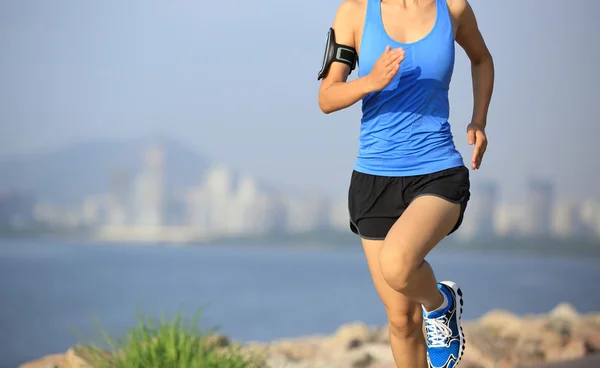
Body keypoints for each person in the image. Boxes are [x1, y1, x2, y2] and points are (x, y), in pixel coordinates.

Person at [317, 0, 494, 367]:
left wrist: (479, 120)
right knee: (401, 321)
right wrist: (370, 81)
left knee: (397, 265)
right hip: (374, 179)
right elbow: (327, 97)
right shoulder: (354, 12)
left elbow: (481, 59)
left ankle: (440, 303)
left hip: (437, 170)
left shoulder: (454, 9)